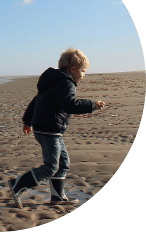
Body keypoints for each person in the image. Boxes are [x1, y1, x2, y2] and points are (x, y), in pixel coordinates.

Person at [8, 47, 105, 208]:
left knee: (62, 163)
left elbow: (35, 101)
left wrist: (27, 121)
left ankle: (57, 196)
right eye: (83, 71)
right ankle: (18, 185)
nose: (84, 75)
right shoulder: (66, 83)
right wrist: (92, 105)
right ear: (73, 69)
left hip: (48, 129)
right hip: (49, 130)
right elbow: (70, 105)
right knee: (51, 166)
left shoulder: (52, 81)